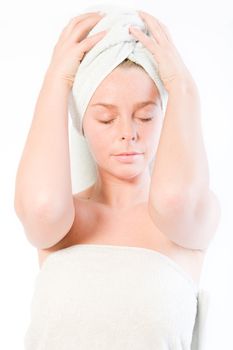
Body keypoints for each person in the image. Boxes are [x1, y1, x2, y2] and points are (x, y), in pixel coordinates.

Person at [14, 8, 220, 350]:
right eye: (106, 119)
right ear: (81, 123)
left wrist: (182, 87)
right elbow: (41, 206)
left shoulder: (187, 221)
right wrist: (56, 81)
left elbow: (174, 200)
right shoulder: (62, 220)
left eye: (145, 116)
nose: (128, 134)